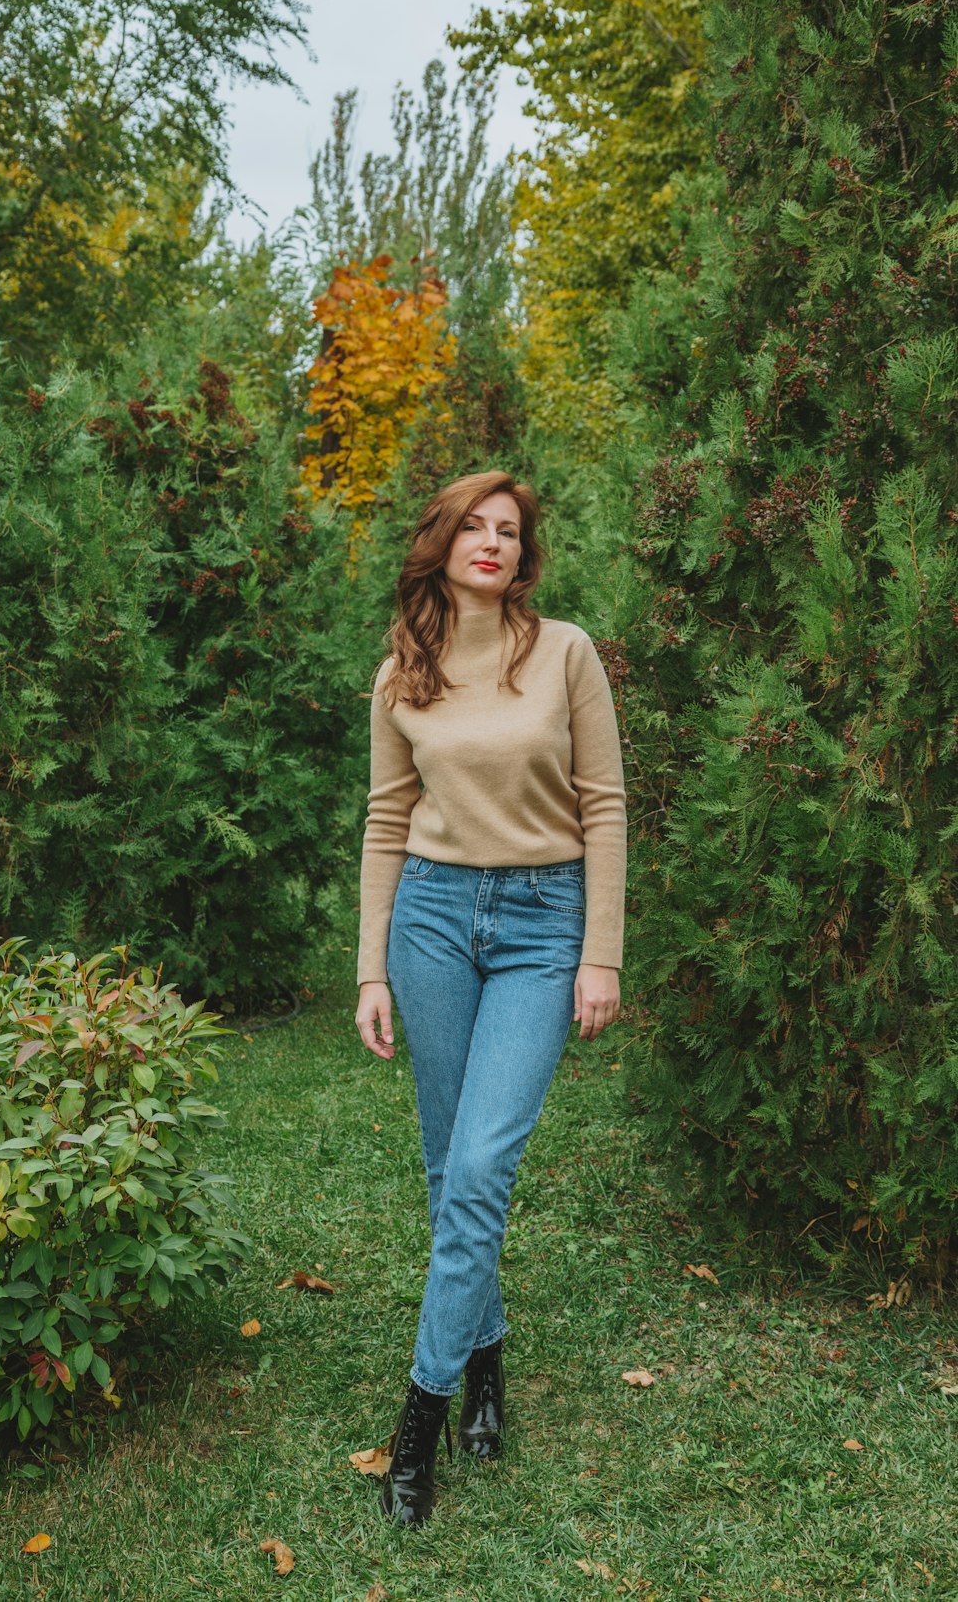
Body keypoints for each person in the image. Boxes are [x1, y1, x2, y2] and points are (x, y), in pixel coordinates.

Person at [354, 469, 627, 1527]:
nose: (493, 542)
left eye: (508, 531)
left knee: (478, 1166)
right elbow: (386, 821)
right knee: (444, 1170)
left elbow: (603, 804)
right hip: (428, 921)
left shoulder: (563, 652)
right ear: (442, 544)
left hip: (541, 926)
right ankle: (489, 1365)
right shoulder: (400, 674)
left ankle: (417, 1427)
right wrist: (370, 967)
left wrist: (598, 953)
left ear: (523, 556)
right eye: (474, 525)